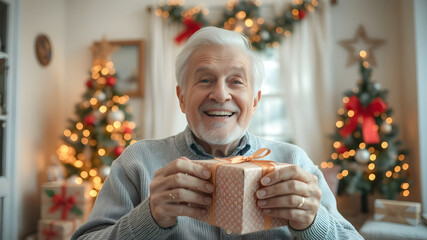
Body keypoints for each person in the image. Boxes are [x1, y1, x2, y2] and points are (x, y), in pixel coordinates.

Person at [72, 26, 362, 240]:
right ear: (182, 97)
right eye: (205, 79)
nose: (220, 94)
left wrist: (314, 223)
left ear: (256, 101)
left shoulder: (295, 161)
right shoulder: (137, 162)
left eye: (236, 81)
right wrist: (149, 217)